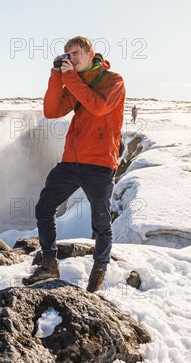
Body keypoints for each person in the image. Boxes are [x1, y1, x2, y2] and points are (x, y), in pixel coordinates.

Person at [23, 36, 126, 292]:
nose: (72, 57)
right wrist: (56, 76)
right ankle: (49, 263)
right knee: (44, 208)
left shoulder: (113, 81)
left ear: (92, 54)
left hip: (100, 165)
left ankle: (98, 276)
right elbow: (51, 110)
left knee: (101, 224)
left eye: (77, 52)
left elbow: (98, 107)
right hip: (71, 161)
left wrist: (70, 78)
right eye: (68, 53)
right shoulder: (75, 83)